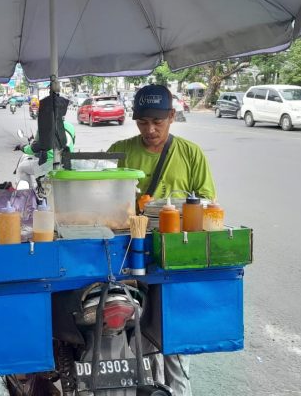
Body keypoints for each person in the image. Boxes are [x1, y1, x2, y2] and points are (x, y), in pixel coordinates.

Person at [107, 84, 216, 396]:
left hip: (176, 255)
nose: (150, 130)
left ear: (172, 116)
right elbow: (104, 199)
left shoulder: (190, 153)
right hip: (129, 252)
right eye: (143, 123)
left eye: (158, 122)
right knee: (130, 328)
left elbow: (207, 202)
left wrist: (169, 208)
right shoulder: (121, 149)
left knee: (174, 338)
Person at [14, 120, 75, 188]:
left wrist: (21, 147)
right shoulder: (70, 126)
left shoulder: (45, 127)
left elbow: (32, 149)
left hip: (50, 165)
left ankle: (29, 194)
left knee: (22, 168)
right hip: (67, 163)